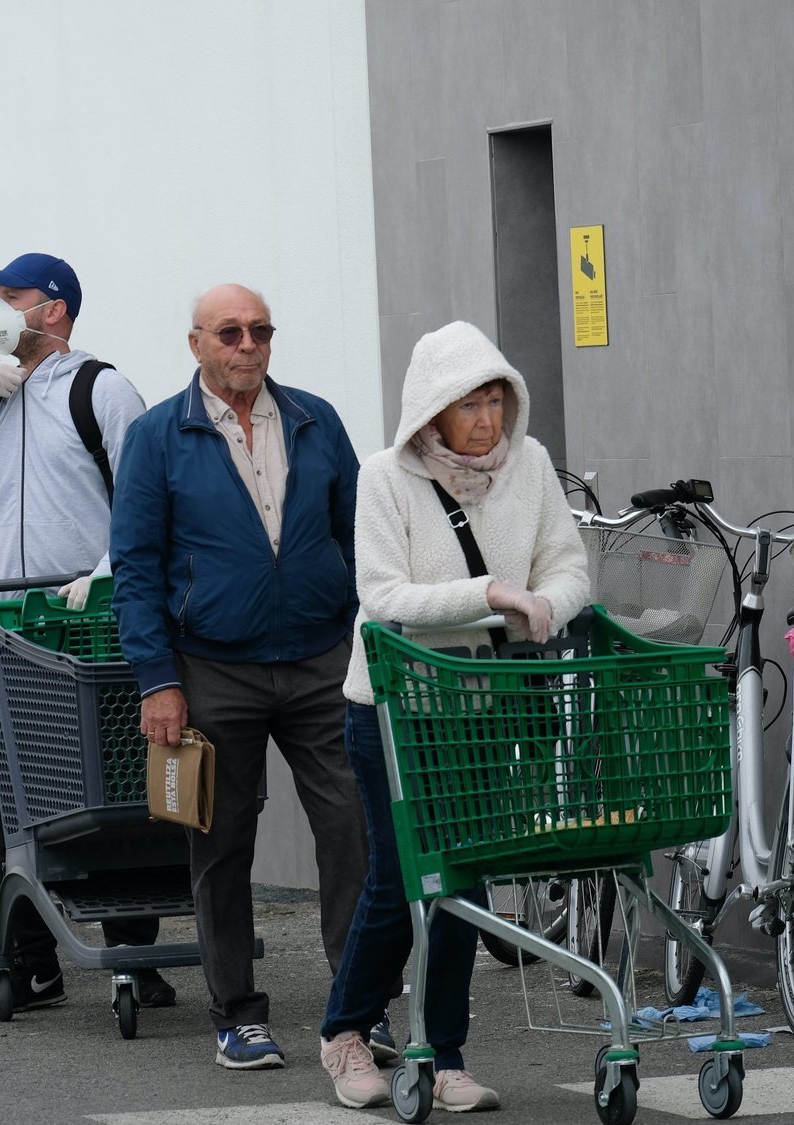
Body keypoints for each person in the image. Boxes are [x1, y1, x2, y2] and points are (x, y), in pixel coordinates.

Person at [315, 321, 590, 1111]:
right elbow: (384, 596)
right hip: (395, 707)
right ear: (431, 412)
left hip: (484, 706)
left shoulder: (529, 466)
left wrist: (540, 607)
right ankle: (347, 1032)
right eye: (467, 403)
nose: (485, 418)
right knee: (403, 876)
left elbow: (567, 566)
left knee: (460, 875)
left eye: (495, 398)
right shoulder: (383, 477)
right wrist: (493, 596)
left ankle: (445, 1054)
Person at [0, 252, 171, 1016]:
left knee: (110, 783)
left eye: (10, 295)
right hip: (0, 626)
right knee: (7, 788)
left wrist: (108, 573)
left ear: (53, 307)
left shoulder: (103, 389)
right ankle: (31, 955)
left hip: (83, 627)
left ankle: (134, 949)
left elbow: (148, 497)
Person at [110, 283, 369, 1070]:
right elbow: (135, 567)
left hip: (322, 658)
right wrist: (158, 677)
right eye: (230, 332)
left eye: (260, 330)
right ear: (197, 344)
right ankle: (237, 1012)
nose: (247, 344)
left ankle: (357, 1008)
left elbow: (361, 537)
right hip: (214, 665)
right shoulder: (158, 435)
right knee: (222, 842)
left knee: (355, 827)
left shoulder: (316, 419)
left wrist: (367, 635)